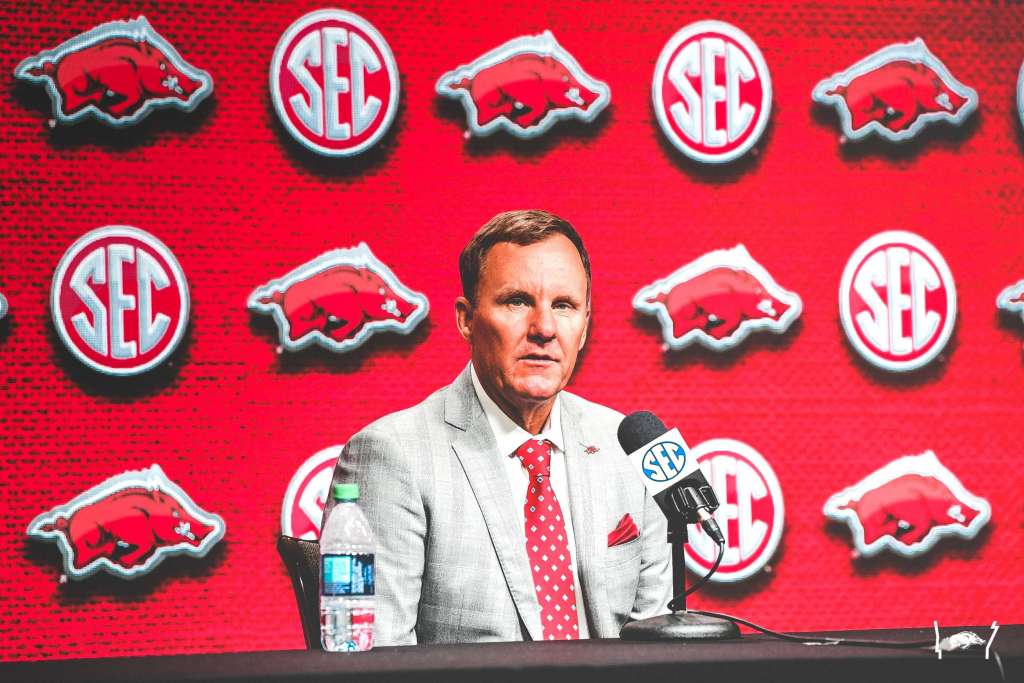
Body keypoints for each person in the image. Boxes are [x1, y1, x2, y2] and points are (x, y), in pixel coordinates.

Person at [323, 210, 671, 645]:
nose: (544, 328)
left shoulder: (628, 445)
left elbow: (659, 644)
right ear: (466, 319)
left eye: (564, 306)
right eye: (517, 302)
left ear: (584, 327)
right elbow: (375, 658)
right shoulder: (391, 456)